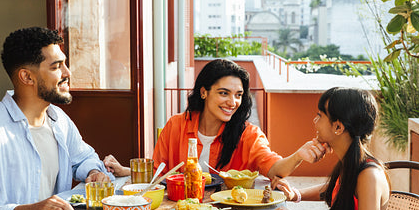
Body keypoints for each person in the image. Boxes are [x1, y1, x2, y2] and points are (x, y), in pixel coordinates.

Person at [0, 27, 113, 210]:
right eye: (56, 66)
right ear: (27, 76)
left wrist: (93, 171)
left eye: (64, 63)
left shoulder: (59, 120)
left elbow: (84, 157)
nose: (67, 73)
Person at [105, 59, 325, 182]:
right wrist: (126, 170)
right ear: (204, 92)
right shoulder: (175, 125)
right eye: (223, 93)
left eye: (238, 95)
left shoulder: (248, 134)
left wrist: (298, 156)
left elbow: (275, 169)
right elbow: (160, 173)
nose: (232, 102)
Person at [267, 87, 390, 210]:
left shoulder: (369, 176)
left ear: (338, 127)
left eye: (320, 115)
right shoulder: (351, 163)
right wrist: (295, 195)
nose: (315, 121)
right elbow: (339, 189)